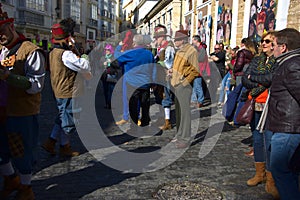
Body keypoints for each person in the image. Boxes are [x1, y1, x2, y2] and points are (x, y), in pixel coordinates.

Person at [0, 6, 45, 199]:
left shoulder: (31, 51)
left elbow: (36, 85)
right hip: (2, 110)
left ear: (10, 26)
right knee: (2, 150)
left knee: (22, 152)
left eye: (0, 31)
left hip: (21, 112)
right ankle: (11, 179)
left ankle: (26, 188)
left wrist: (9, 77)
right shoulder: (1, 50)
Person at [42, 18, 92, 157]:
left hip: (59, 89)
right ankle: (64, 146)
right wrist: (83, 55)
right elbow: (84, 66)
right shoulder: (66, 54)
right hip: (68, 90)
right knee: (68, 120)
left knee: (61, 116)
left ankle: (51, 142)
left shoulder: (53, 52)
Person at [241, 31, 278, 199]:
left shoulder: (278, 61)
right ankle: (260, 174)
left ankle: (271, 180)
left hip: (270, 104)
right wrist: (260, 79)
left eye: (267, 41)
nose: (263, 43)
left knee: (269, 140)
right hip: (255, 103)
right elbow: (245, 80)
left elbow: (273, 78)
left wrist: (255, 78)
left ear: (274, 44)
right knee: (257, 139)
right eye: (262, 41)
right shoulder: (257, 60)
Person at [266, 28, 300, 200]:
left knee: (281, 170)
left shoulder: (292, 64)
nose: (272, 48)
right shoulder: (288, 63)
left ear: (284, 47)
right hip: (286, 125)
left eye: (274, 45)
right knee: (290, 171)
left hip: (289, 127)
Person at [115, 34, 155, 130]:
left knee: (133, 106)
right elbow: (153, 68)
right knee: (145, 105)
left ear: (134, 43)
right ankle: (145, 124)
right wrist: (153, 82)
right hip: (145, 83)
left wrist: (119, 46)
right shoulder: (149, 54)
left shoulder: (130, 53)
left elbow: (116, 56)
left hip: (132, 83)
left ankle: (134, 126)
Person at [170, 30, 199, 148]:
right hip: (176, 84)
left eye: (176, 40)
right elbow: (180, 67)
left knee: (185, 113)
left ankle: (185, 138)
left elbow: (195, 71)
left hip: (183, 86)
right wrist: (172, 71)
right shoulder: (179, 52)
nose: (174, 41)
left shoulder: (191, 51)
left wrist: (184, 83)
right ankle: (179, 134)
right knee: (178, 112)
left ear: (182, 40)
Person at [153, 24, 175, 130]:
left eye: (157, 37)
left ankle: (168, 121)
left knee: (166, 97)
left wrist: (158, 63)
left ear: (162, 37)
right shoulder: (159, 48)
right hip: (159, 76)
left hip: (166, 76)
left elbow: (169, 63)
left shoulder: (169, 46)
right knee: (159, 97)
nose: (156, 39)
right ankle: (162, 117)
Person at [191, 35, 209, 108]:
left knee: (198, 86)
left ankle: (200, 101)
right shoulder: (197, 49)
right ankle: (194, 100)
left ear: (196, 41)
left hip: (200, 70)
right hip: (195, 69)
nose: (192, 42)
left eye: (193, 40)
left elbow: (200, 58)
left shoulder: (202, 49)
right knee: (195, 85)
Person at [100, 44, 119, 109]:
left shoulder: (114, 57)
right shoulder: (103, 57)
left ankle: (110, 104)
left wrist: (111, 62)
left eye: (108, 50)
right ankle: (107, 103)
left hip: (112, 76)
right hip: (104, 76)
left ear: (111, 50)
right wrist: (102, 64)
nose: (107, 51)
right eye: (106, 50)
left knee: (111, 91)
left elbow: (118, 66)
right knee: (105, 91)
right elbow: (99, 66)